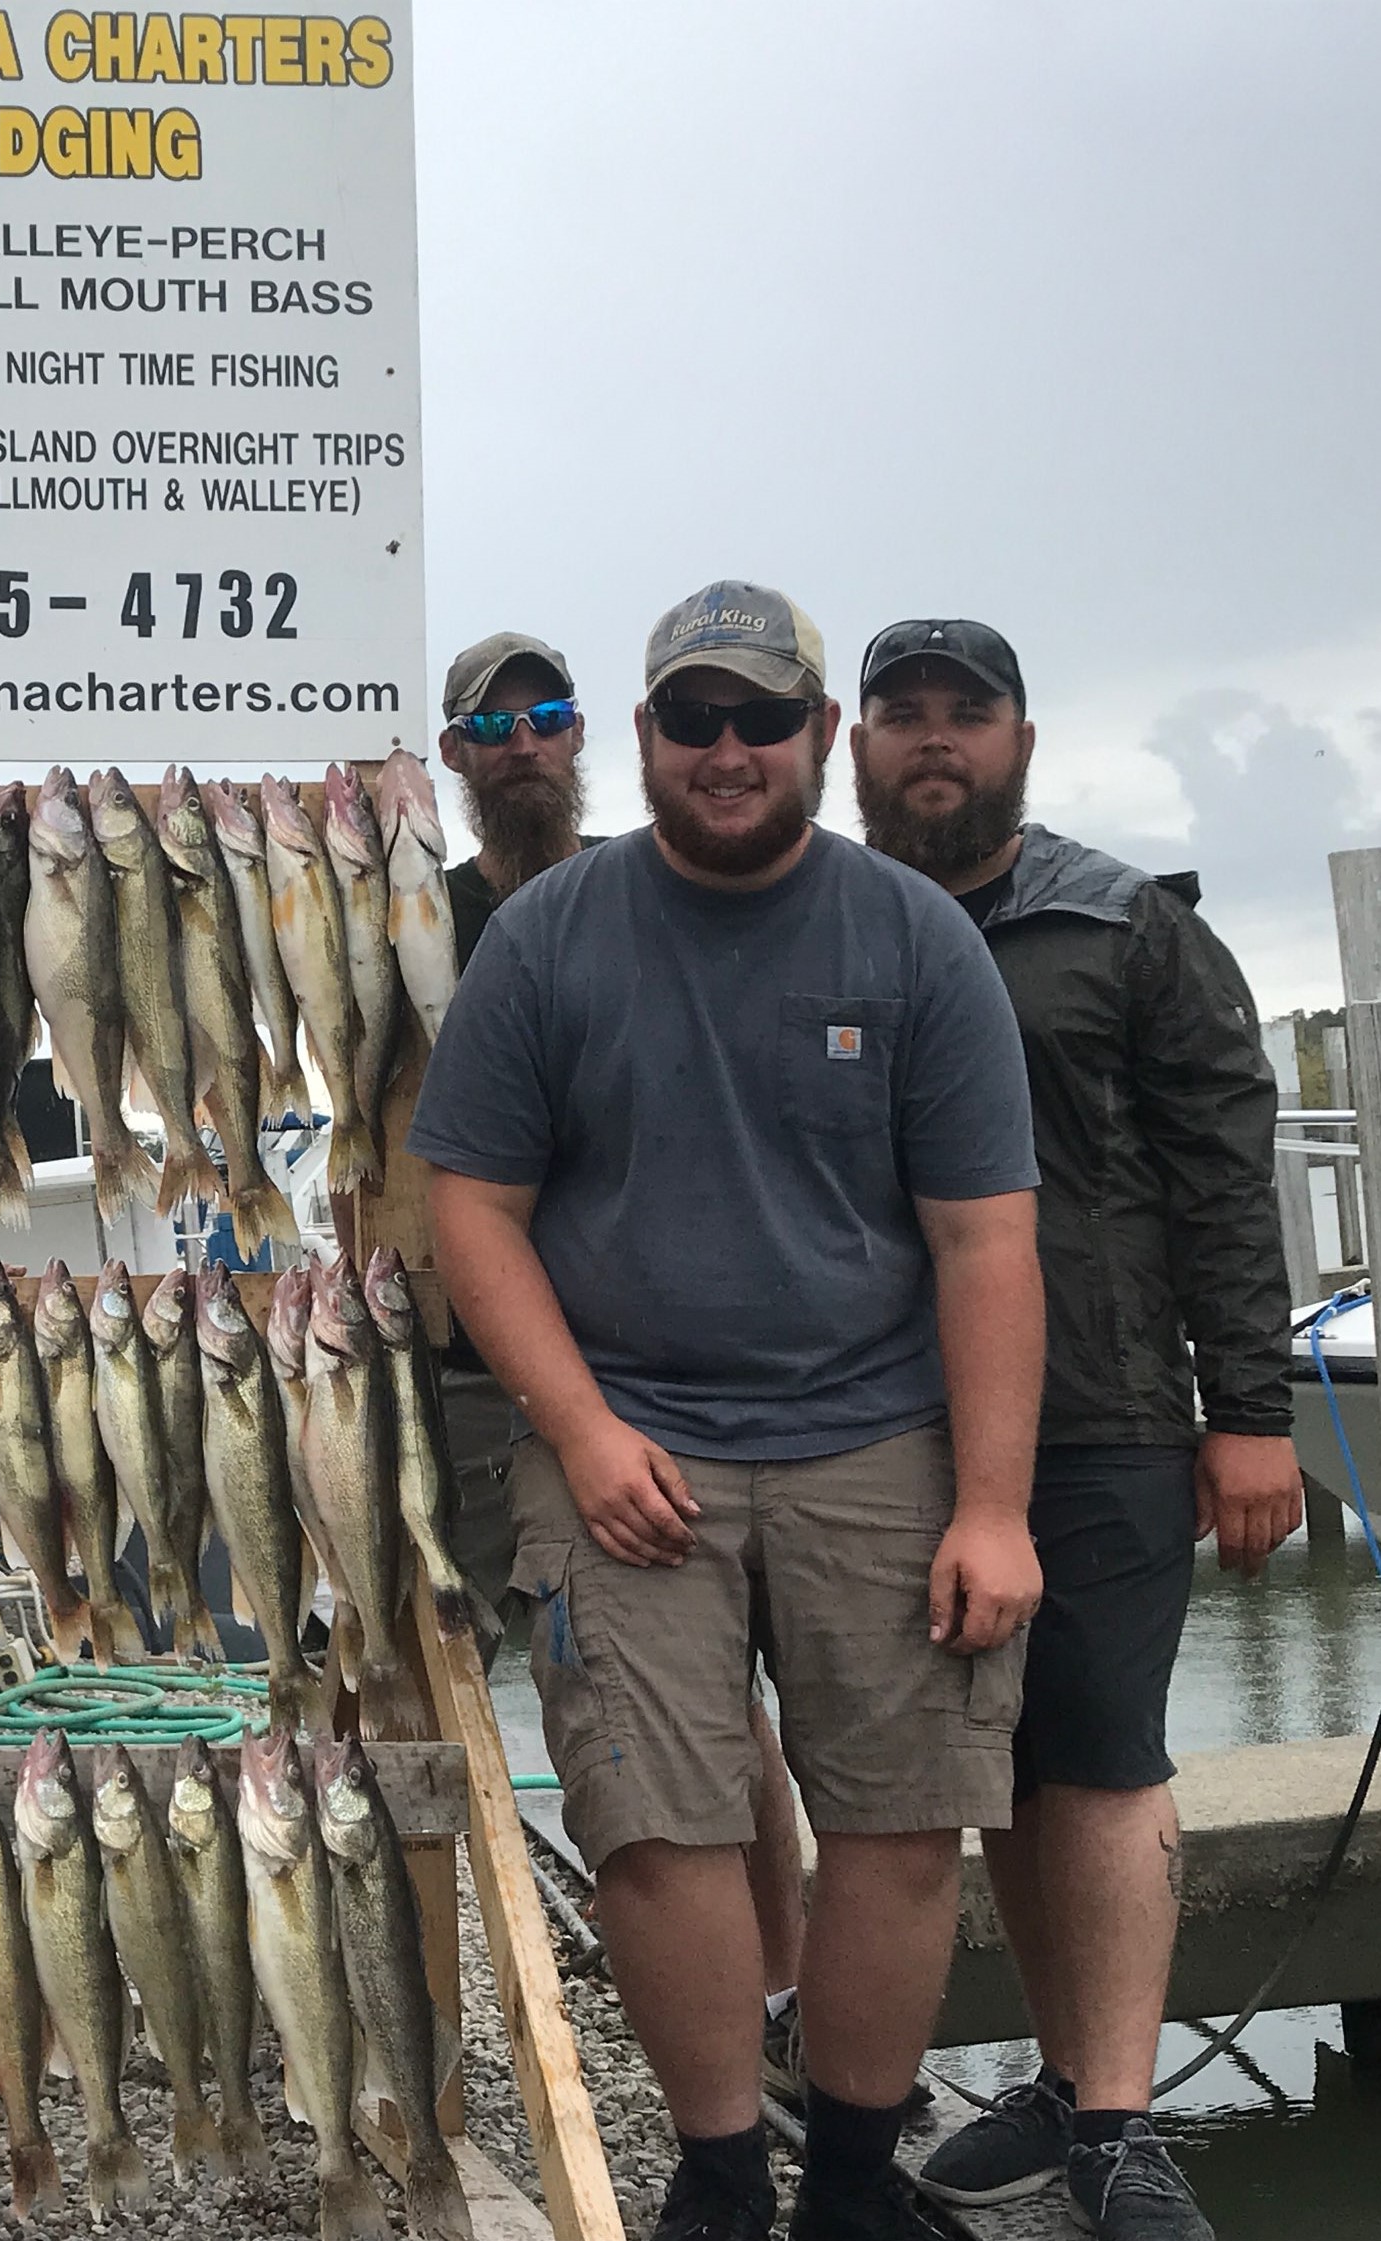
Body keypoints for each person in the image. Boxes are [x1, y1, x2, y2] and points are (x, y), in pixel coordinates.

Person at [410, 581, 1048, 2241]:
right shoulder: (545, 938)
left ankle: (846, 2179)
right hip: (624, 1444)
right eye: (690, 717)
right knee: (649, 1827)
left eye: (760, 717)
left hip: (877, 1436)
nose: (725, 747)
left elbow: (984, 1239)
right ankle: (710, 2178)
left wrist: (990, 1503)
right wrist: (579, 1426)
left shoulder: (915, 941)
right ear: (642, 740)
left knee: (902, 1823)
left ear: (816, 738)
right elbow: (468, 1206)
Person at [852, 618, 1302, 2240]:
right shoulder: (825, 922)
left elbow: (1222, 1176)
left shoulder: (1126, 926)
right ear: (852, 743)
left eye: (961, 713)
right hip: (884, 1420)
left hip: (1105, 1406)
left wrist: (1247, 1411)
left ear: (1021, 740)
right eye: (897, 713)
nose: (930, 740)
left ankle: (1115, 2121)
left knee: (1101, 1754)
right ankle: (1058, 2073)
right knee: (998, 1762)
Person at [433, 631, 813, 2042]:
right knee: (464, 1674)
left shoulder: (658, 892)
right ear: (455, 753)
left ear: (586, 734)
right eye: (494, 721)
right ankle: (445, 2004)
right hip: (471, 1375)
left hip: (659, 1373)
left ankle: (778, 1986)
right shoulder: (422, 924)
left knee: (721, 1701)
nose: (525, 740)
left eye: (549, 715)